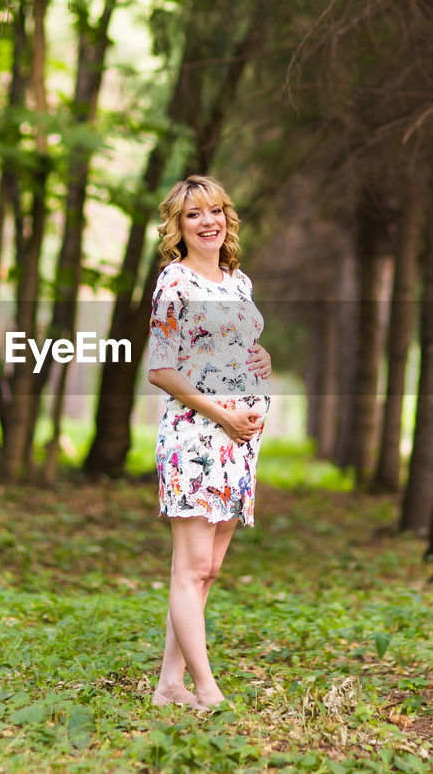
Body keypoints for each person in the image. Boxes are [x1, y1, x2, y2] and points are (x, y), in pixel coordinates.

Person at [144, 175, 272, 712]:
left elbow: (237, 345)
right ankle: (205, 688)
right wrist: (221, 411)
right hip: (196, 436)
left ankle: (168, 684)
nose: (208, 222)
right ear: (178, 226)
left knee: (208, 571)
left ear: (227, 219)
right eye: (194, 214)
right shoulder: (174, 283)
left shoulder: (235, 281)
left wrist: (263, 359)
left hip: (239, 444)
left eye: (215, 211)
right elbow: (162, 368)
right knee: (190, 568)